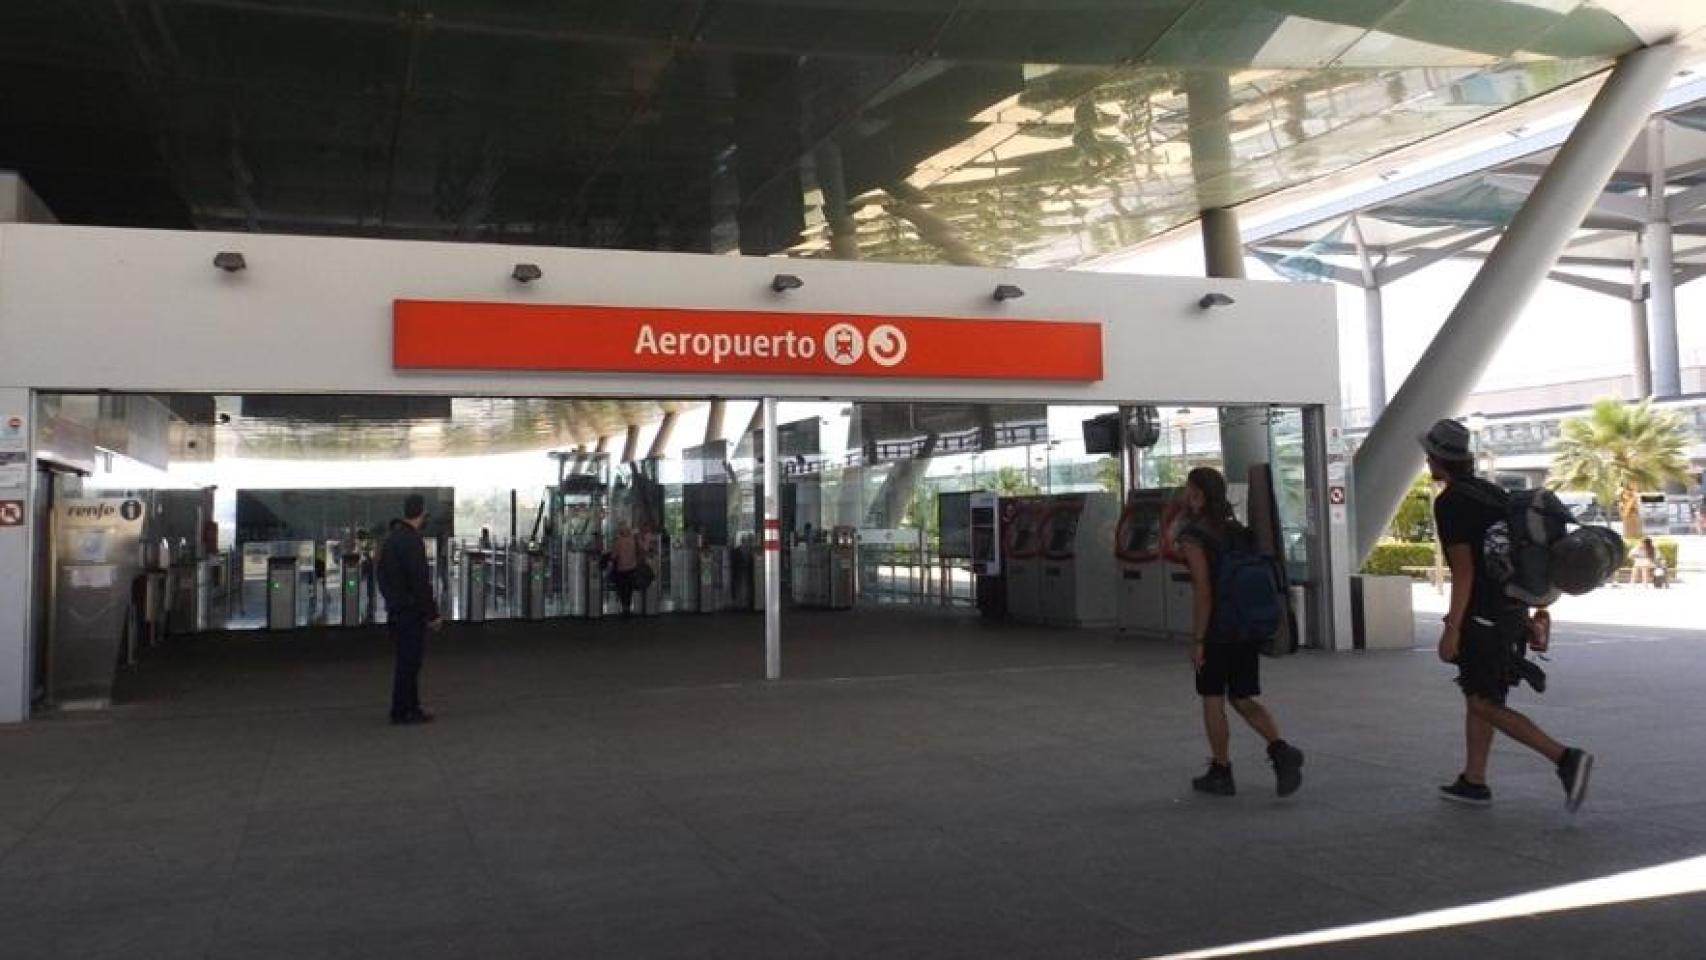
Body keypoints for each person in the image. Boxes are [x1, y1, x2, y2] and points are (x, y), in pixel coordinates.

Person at [1423, 419, 1592, 810]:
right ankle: (1473, 780)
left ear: (1437, 460)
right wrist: (1531, 613)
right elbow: (1519, 556)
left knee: (1484, 702)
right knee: (1481, 694)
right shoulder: (1492, 493)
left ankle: (1566, 759)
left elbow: (1464, 571)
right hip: (1510, 609)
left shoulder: (1451, 502)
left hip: (1482, 616)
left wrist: (1452, 628)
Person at [1177, 466, 1304, 798]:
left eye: (1188, 490)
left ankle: (1221, 770)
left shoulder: (1194, 535)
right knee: (1243, 696)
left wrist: (1199, 640)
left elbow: (1204, 590)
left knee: (1212, 697)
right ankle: (1280, 750)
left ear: (1198, 495)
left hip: (1218, 630)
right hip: (1247, 626)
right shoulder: (1239, 531)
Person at [377, 495, 442, 725]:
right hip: (411, 612)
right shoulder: (412, 542)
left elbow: (381, 576)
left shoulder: (391, 539)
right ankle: (404, 710)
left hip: (397, 610)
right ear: (422, 514)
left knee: (405, 661)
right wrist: (432, 614)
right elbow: (420, 582)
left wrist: (393, 600)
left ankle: (409, 707)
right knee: (410, 663)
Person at [612, 523, 640, 616]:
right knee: (629, 589)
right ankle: (627, 607)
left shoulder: (618, 540)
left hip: (622, 568)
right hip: (632, 567)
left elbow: (614, 555)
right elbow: (638, 550)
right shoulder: (633, 539)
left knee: (622, 588)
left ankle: (624, 607)